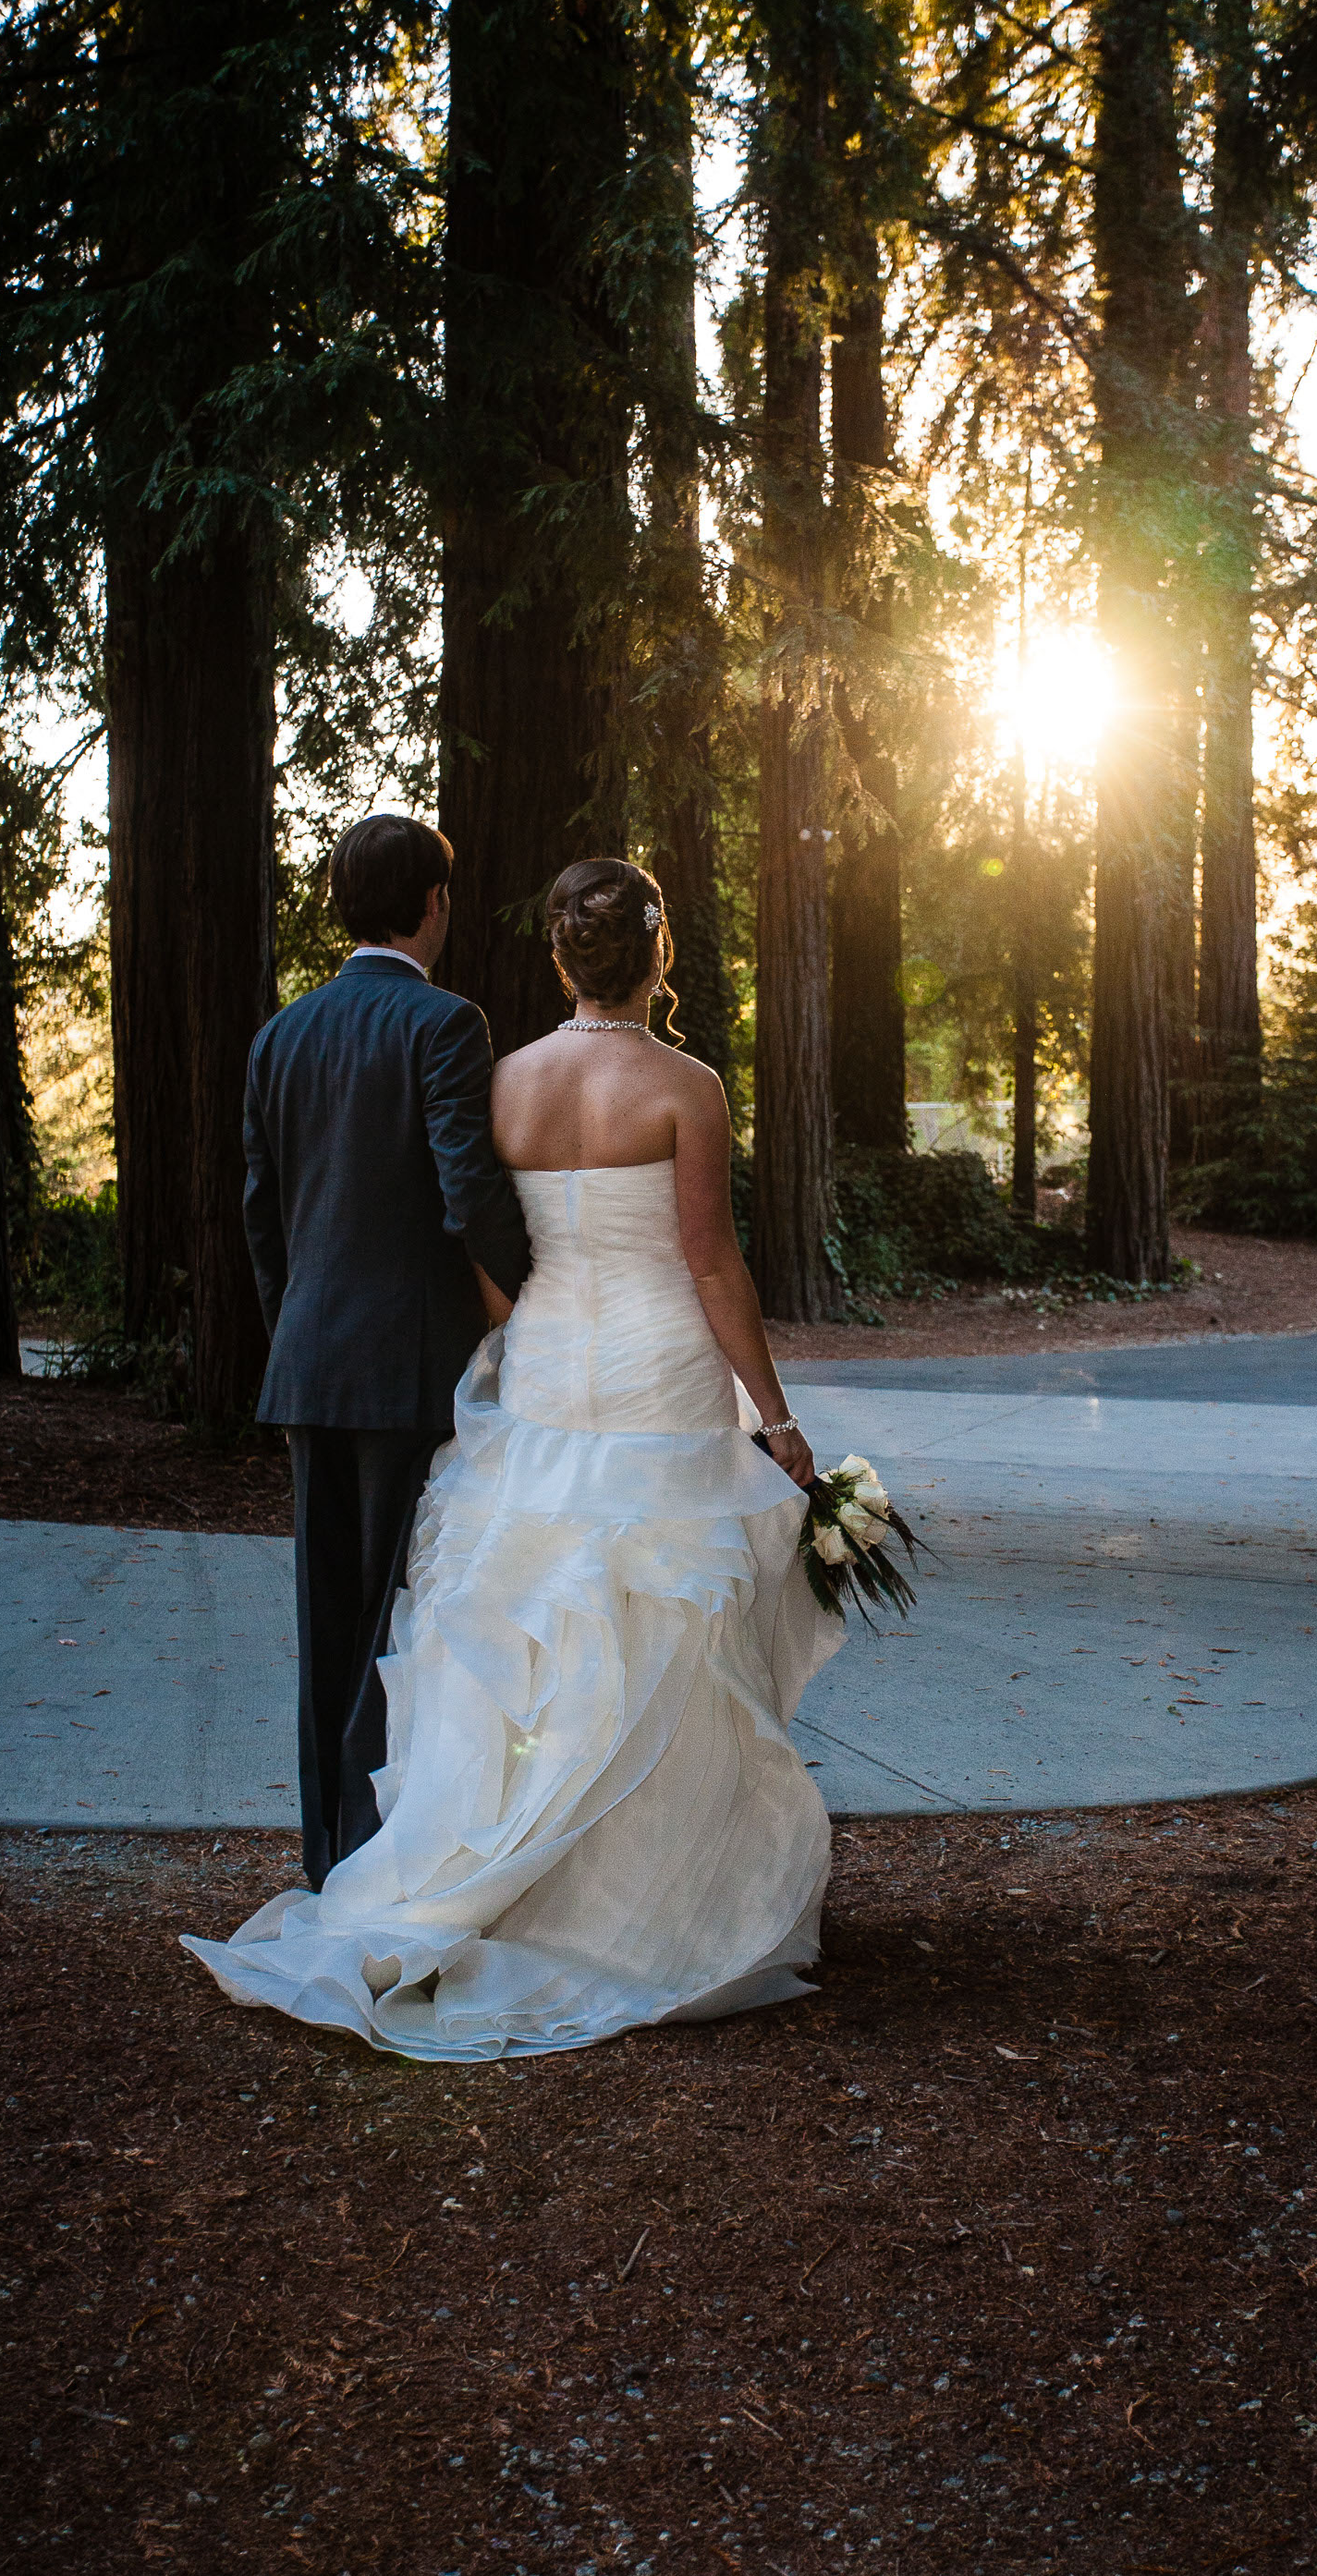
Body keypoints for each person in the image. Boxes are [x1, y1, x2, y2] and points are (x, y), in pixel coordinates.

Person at [183, 856, 842, 2060]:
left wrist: (518, 1327)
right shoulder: (685, 1084)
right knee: (658, 1620)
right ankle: (644, 1902)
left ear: (556, 958)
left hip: (539, 1357)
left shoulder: (509, 1078)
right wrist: (775, 1412)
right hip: (655, 1365)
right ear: (658, 954)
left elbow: (479, 1234)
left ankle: (497, 1871)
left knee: (532, 1619)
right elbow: (709, 1261)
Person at [238, 813, 531, 1892]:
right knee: (397, 1616)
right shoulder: (446, 1023)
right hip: (412, 1368)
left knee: (329, 1623)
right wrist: (534, 1300)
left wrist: (298, 1337)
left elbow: (261, 1218)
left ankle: (328, 1857)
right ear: (433, 903)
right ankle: (380, 1858)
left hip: (311, 1364)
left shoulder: (282, 1034)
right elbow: (467, 1190)